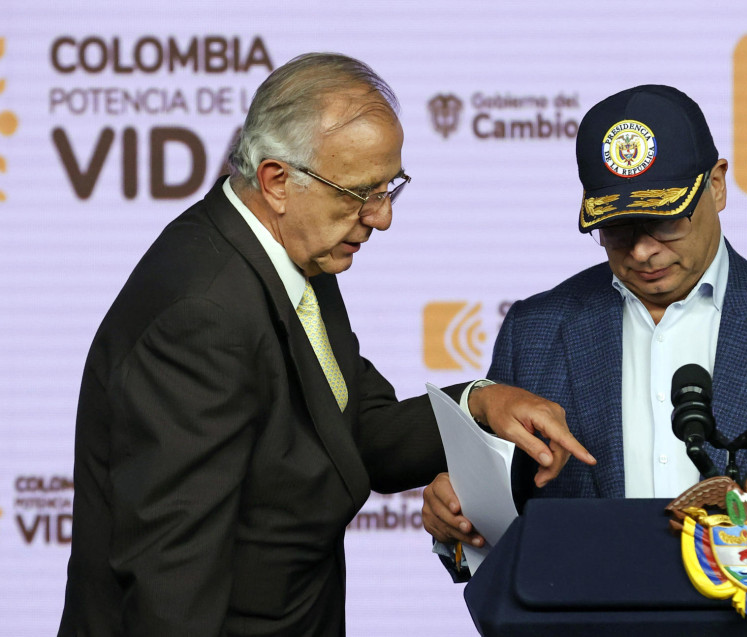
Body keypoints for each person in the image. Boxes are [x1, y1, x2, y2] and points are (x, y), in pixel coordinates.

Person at [57, 53, 594, 637]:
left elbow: (353, 429)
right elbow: (170, 580)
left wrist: (479, 404)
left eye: (390, 187)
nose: (382, 217)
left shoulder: (296, 253)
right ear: (277, 181)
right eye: (360, 192)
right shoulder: (203, 314)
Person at [422, 84, 747, 557]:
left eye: (666, 220)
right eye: (616, 229)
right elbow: (499, 519)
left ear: (716, 185)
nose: (642, 250)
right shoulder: (535, 331)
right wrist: (456, 516)